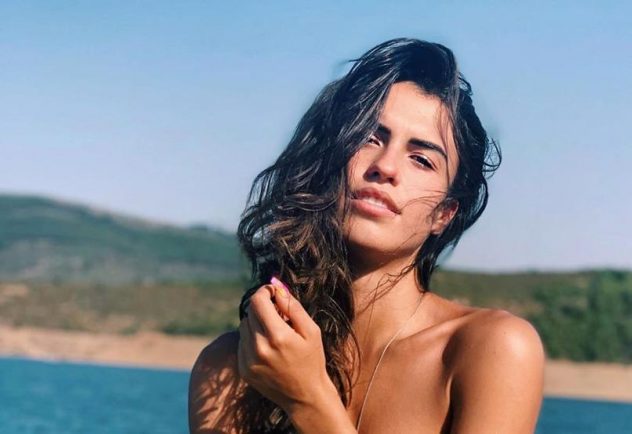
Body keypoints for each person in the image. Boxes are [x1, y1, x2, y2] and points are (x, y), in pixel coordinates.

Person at [188, 37, 545, 434]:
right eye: (369, 137)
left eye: (421, 159)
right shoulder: (232, 367)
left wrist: (308, 398)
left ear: (444, 213)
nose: (385, 166)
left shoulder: (490, 350)